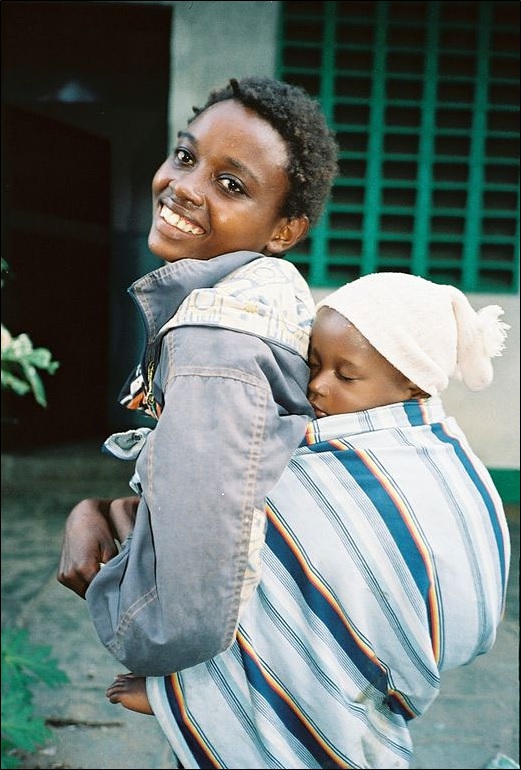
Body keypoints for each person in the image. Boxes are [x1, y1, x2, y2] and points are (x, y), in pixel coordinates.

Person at [105, 272, 511, 769]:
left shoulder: (431, 456)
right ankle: (216, 701)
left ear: (412, 383)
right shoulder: (317, 450)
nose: (317, 386)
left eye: (346, 375)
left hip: (380, 657)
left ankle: (208, 705)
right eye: (314, 364)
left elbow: (459, 563)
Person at [57, 76, 339, 675]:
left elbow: (184, 621)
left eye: (230, 184)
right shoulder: (254, 304)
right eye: (186, 157)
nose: (183, 186)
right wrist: (104, 510)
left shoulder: (218, 341)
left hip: (248, 691)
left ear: (284, 231)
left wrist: (117, 593)